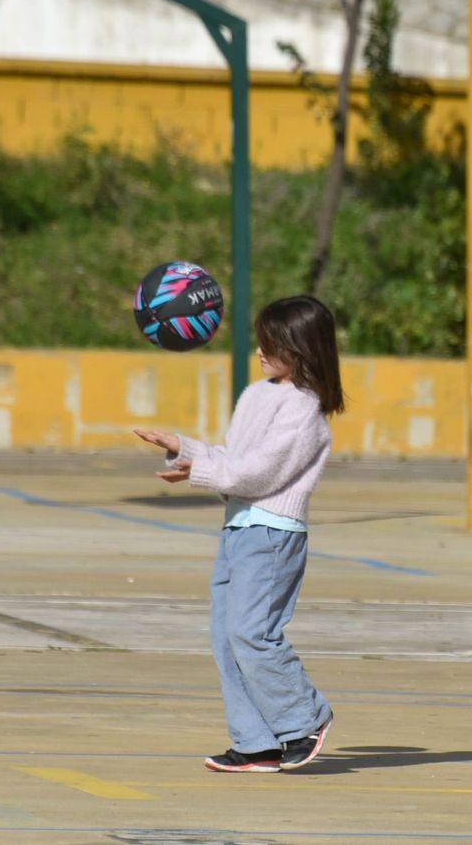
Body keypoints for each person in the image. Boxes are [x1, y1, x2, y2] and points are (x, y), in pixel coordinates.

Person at [133, 294, 344, 774]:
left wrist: (198, 470)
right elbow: (234, 458)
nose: (260, 352)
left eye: (271, 343)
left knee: (253, 633)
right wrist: (184, 449)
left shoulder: (305, 411)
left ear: (302, 347)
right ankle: (257, 742)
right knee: (226, 637)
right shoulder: (257, 394)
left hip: (272, 533)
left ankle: (305, 717)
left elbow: (260, 473)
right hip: (239, 528)